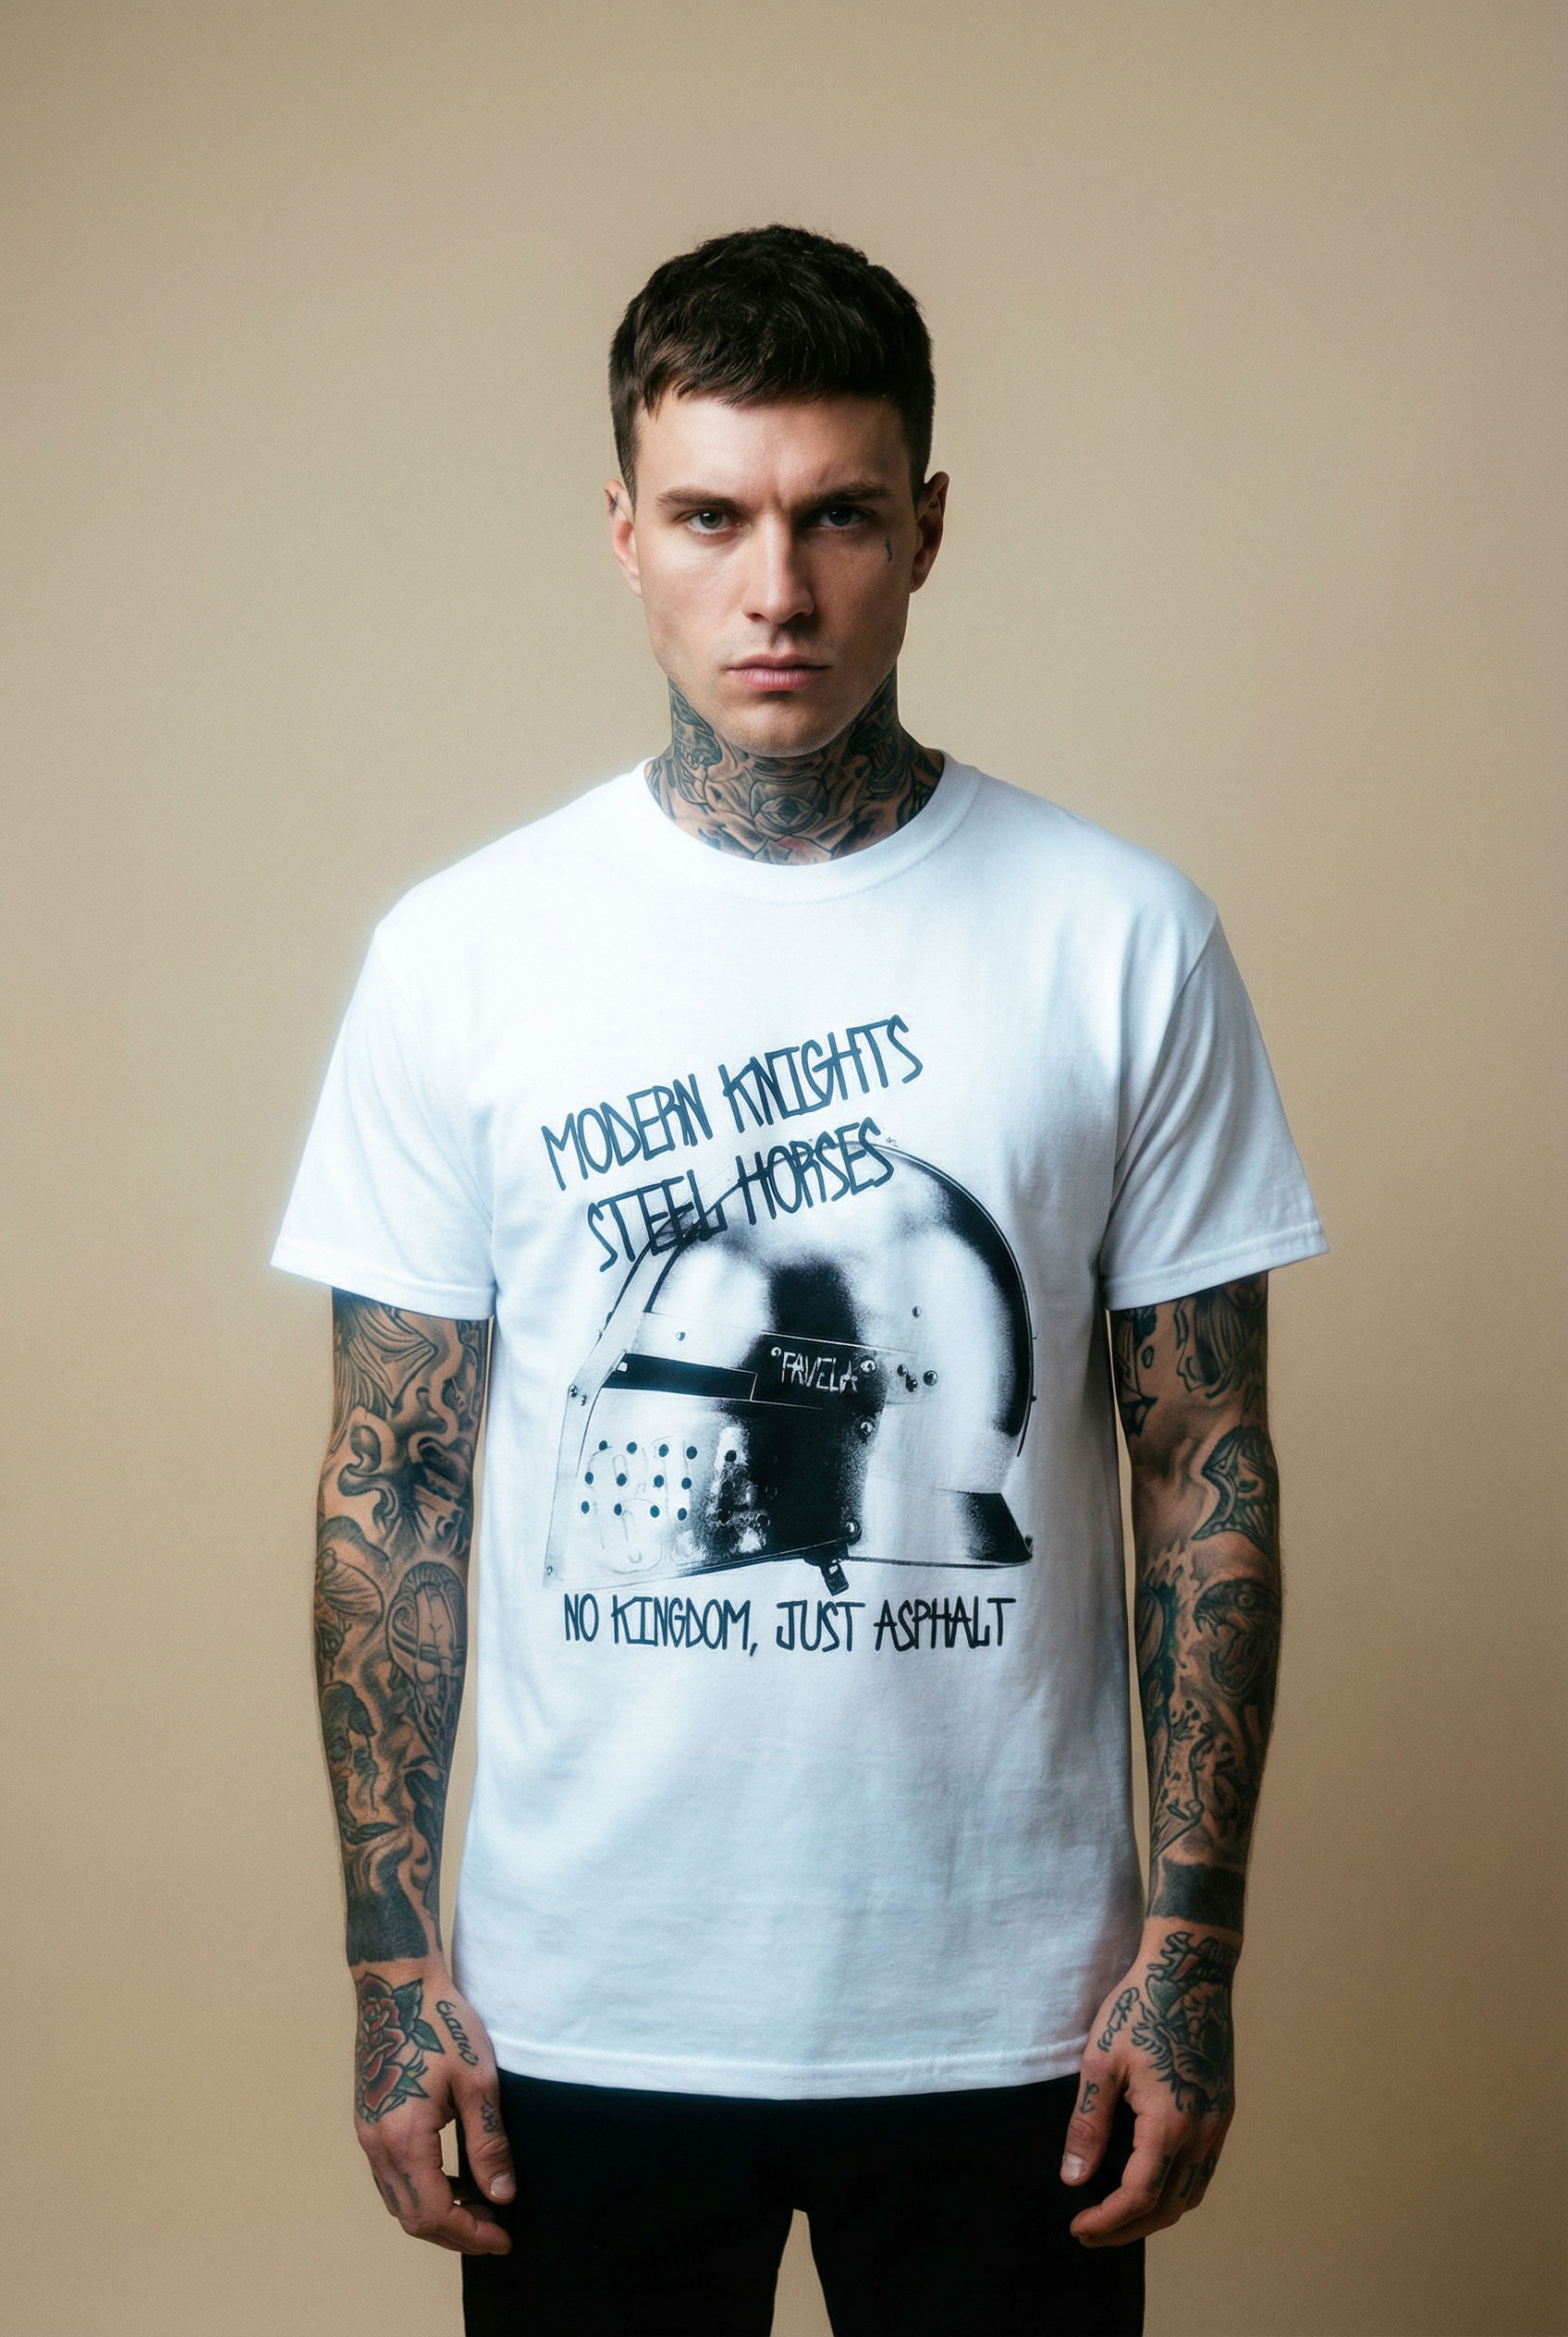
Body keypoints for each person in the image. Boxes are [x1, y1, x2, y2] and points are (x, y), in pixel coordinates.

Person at [275, 226, 1326, 2335]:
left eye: (837, 515)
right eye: (710, 518)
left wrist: (1189, 1956)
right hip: (583, 2004)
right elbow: (393, 1479)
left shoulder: (1118, 937)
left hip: (1015, 2017)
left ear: (924, 528)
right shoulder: (464, 955)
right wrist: (395, 1971)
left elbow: (1201, 1464)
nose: (777, 590)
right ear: (623, 533)